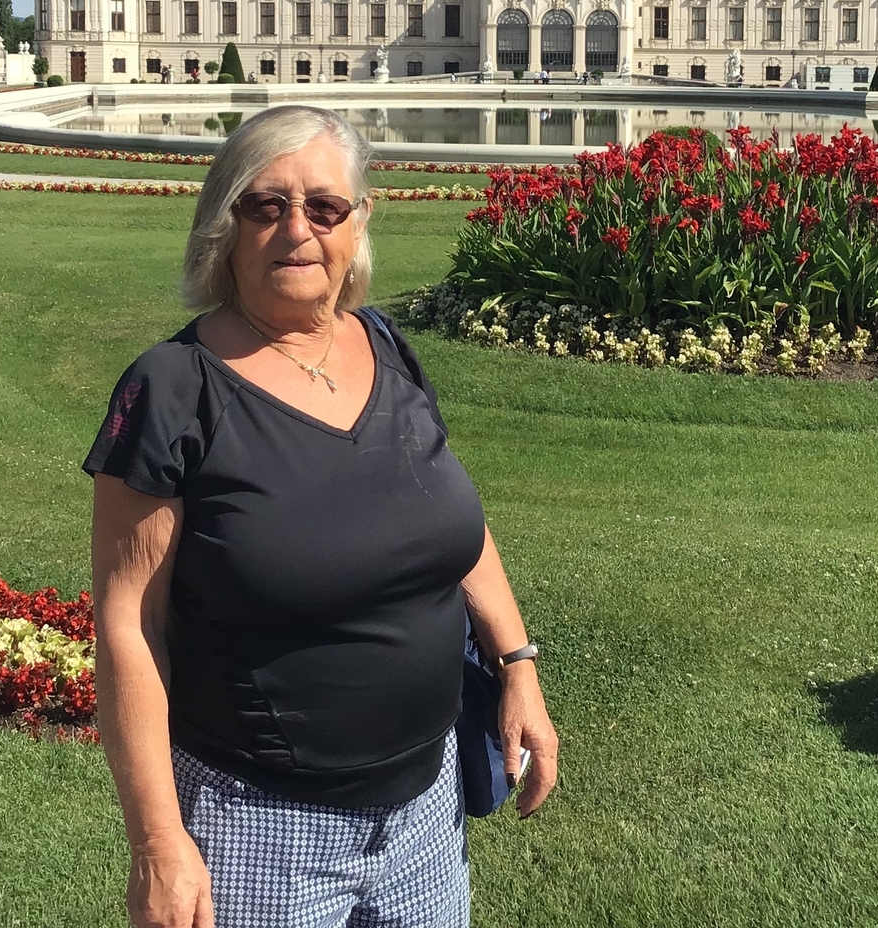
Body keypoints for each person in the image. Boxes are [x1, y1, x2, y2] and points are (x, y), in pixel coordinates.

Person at [87, 105, 557, 928]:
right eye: (265, 205)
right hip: (260, 827)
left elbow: (452, 524)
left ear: (359, 221)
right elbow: (130, 624)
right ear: (225, 223)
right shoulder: (173, 388)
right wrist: (158, 842)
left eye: (325, 207)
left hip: (427, 812)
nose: (296, 230)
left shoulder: (384, 346)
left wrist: (517, 664)